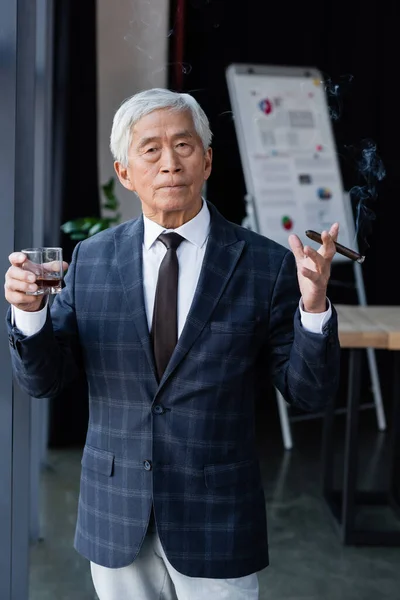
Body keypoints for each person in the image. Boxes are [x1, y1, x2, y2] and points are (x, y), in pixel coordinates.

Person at [5, 88, 340, 600]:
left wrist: (313, 307)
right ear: (124, 173)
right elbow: (45, 381)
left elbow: (309, 394)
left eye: (183, 146)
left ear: (207, 161)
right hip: (116, 514)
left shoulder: (264, 264)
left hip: (217, 520)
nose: (169, 164)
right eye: (151, 150)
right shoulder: (91, 260)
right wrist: (30, 316)